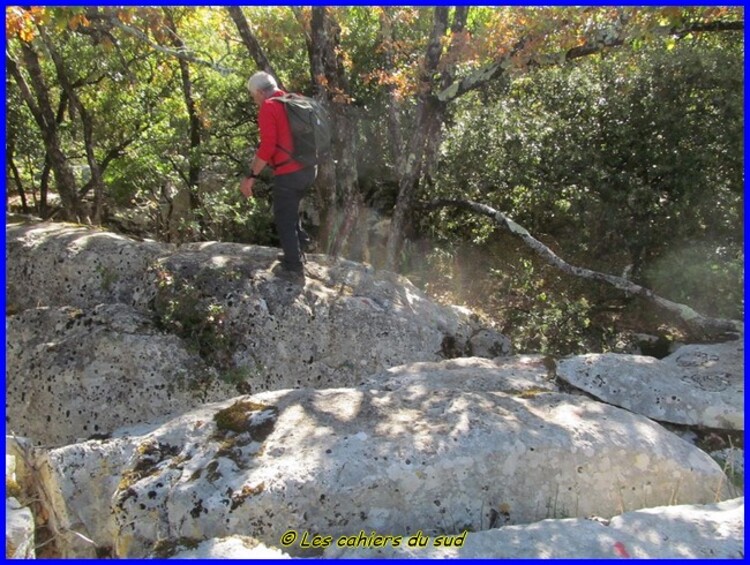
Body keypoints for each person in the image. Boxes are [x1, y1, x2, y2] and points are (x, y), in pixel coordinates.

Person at [240, 71, 315, 279]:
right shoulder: (295, 100)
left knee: (283, 216)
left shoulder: (270, 107)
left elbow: (267, 148)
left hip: (289, 172)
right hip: (309, 169)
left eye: (253, 96)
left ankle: (294, 266)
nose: (254, 100)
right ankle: (300, 247)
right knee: (291, 209)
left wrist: (251, 176)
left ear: (260, 92)